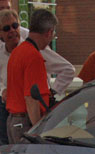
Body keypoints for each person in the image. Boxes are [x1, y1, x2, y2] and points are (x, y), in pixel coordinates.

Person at [0, 0, 74, 146]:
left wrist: (52, 91)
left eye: (15, 25)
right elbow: (30, 97)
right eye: (6, 28)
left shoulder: (24, 49)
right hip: (18, 113)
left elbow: (67, 70)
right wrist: (38, 131)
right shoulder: (29, 54)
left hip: (18, 116)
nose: (12, 30)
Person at [5, 9, 57, 145]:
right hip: (25, 122)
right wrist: (38, 132)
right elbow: (31, 99)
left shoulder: (18, 51)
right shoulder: (33, 56)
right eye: (53, 34)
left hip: (14, 120)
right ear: (49, 32)